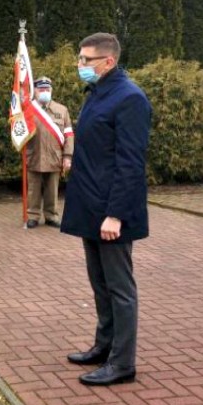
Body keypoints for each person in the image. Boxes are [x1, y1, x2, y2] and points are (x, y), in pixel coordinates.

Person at [61, 33, 151, 386]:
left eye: (86, 60)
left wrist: (115, 214)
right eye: (80, 59)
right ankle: (104, 346)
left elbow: (130, 163)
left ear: (108, 62)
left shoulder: (130, 99)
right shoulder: (98, 93)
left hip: (111, 211)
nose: (80, 66)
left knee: (119, 288)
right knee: (100, 284)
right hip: (90, 206)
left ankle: (123, 363)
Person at [26, 77, 74, 228]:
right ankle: (33, 216)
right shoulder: (28, 109)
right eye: (41, 89)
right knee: (33, 188)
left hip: (55, 156)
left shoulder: (62, 110)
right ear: (35, 91)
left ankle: (51, 215)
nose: (45, 92)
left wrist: (67, 156)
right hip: (35, 154)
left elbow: (69, 135)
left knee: (52, 189)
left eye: (47, 89)